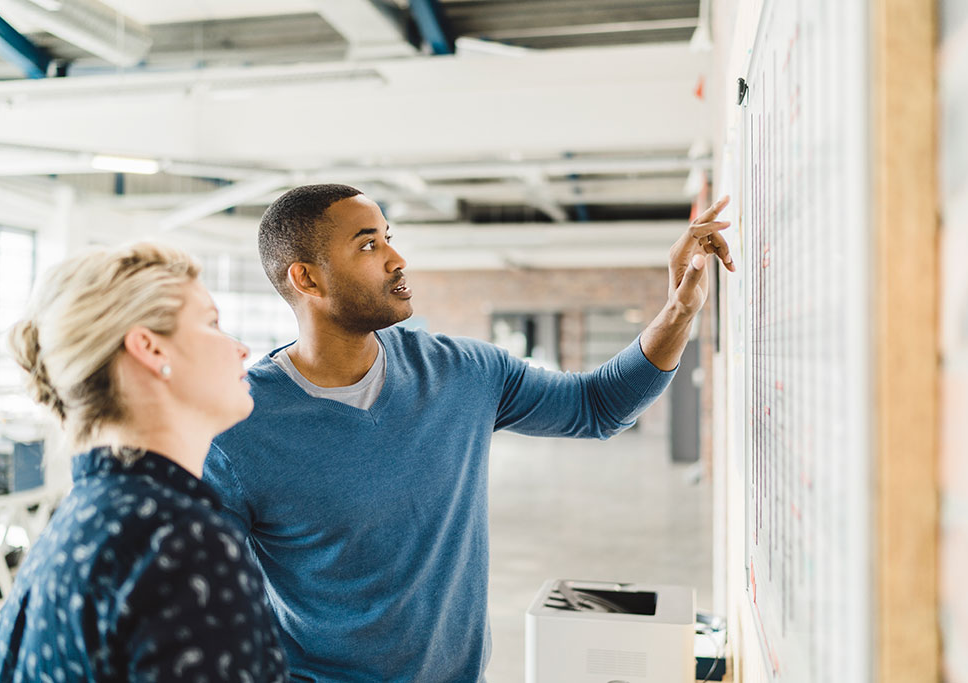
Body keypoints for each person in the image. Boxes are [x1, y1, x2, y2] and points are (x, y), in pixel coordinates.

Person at [203, 185, 734, 682]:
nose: (396, 259)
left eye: (389, 237)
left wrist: (680, 311)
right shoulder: (235, 427)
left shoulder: (462, 372)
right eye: (368, 245)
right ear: (307, 279)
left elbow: (597, 406)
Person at [0, 243, 289, 683]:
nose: (240, 349)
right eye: (211, 323)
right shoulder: (181, 544)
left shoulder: (88, 521)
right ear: (150, 348)